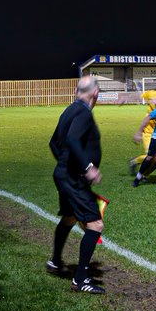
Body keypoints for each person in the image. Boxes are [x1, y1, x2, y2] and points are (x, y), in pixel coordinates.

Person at [48, 76, 107, 294]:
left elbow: (53, 143)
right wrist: (87, 167)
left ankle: (55, 262)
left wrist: (64, 165)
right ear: (96, 93)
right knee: (95, 225)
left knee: (70, 217)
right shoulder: (83, 112)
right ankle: (80, 280)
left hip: (65, 175)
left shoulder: (69, 110)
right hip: (74, 178)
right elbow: (72, 140)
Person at [129, 77, 156, 174]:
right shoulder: (152, 94)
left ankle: (144, 175)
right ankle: (135, 162)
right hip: (149, 132)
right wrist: (125, 98)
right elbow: (139, 96)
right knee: (152, 157)